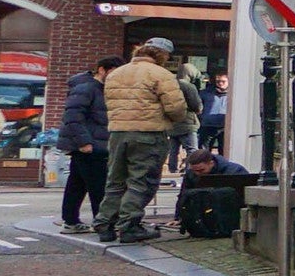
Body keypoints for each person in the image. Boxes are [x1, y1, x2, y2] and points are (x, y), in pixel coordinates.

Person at [100, 36, 195, 244]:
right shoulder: (160, 74)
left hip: (117, 133)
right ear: (162, 55)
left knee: (115, 181)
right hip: (148, 134)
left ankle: (105, 225)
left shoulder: (116, 74)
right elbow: (176, 109)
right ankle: (129, 226)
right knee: (140, 181)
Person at [56, 54, 114, 232]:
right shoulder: (88, 88)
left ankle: (71, 220)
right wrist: (84, 142)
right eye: (112, 72)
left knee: (77, 183)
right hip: (90, 145)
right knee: (98, 185)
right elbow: (73, 116)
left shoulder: (92, 87)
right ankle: (102, 223)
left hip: (89, 143)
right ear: (101, 70)